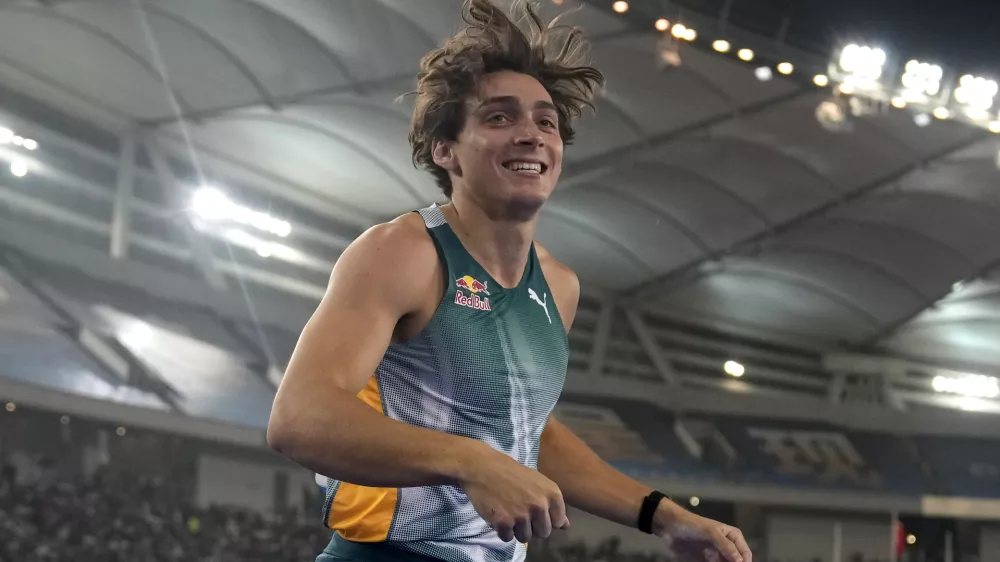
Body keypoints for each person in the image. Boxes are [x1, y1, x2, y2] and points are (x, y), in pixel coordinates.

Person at [266, 1, 752, 562]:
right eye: (500, 117)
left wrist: (663, 515)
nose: (531, 134)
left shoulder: (559, 288)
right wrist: (471, 460)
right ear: (444, 150)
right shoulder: (404, 252)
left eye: (546, 121)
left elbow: (528, 434)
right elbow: (298, 417)